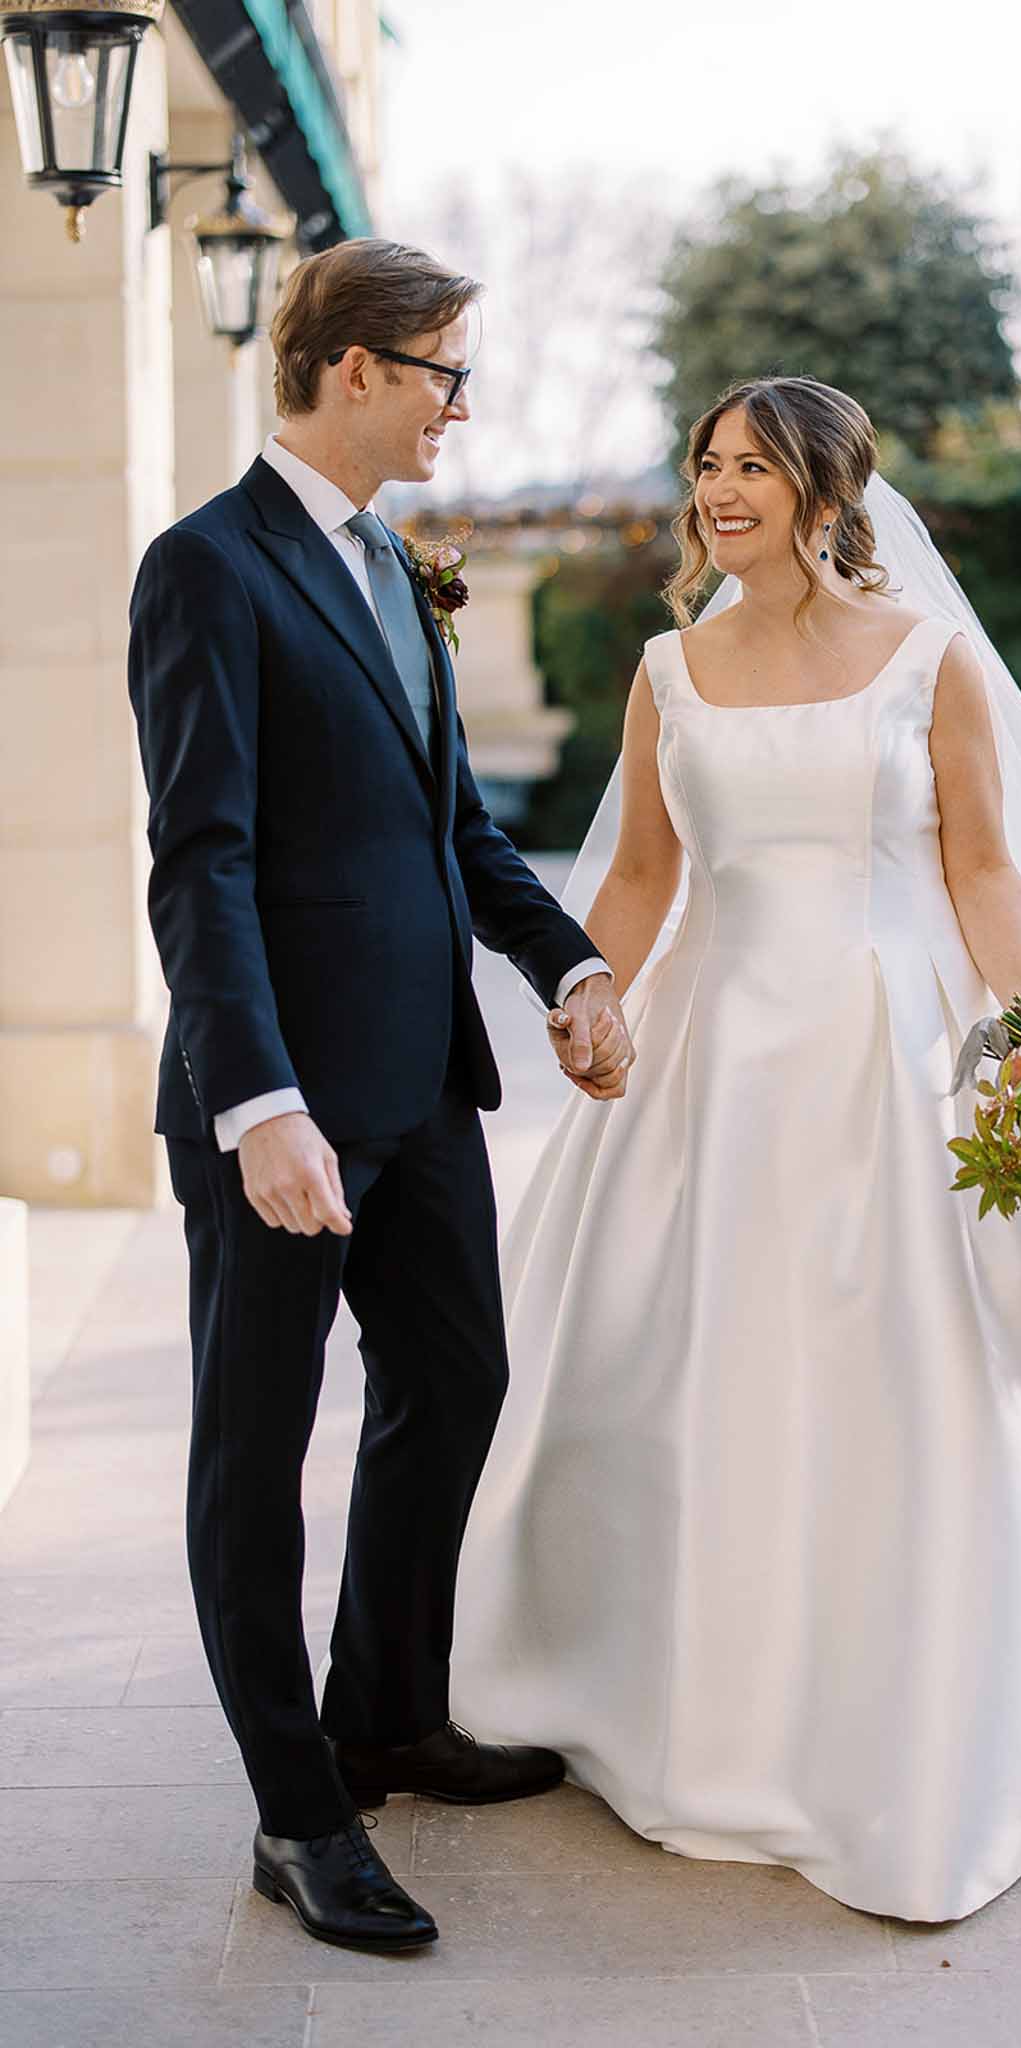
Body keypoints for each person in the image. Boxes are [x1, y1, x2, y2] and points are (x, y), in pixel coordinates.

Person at [448, 374, 1021, 1924]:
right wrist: (584, 996)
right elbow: (648, 872)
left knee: (916, 1368)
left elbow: (989, 871)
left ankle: (946, 1715)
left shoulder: (928, 659)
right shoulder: (667, 671)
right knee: (701, 1367)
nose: (719, 488)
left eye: (752, 466)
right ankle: (694, 1696)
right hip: (716, 1065)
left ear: (823, 494)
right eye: (706, 465)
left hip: (904, 1054)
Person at [126, 238, 633, 1953]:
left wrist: (565, 967)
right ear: (354, 368)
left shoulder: (394, 573)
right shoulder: (206, 569)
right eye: (441, 373)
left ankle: (385, 1714)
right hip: (282, 1103)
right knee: (252, 1453)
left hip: (426, 1085)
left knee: (457, 1379)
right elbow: (202, 863)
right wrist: (255, 1102)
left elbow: (454, 832)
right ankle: (296, 1810)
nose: (459, 406)